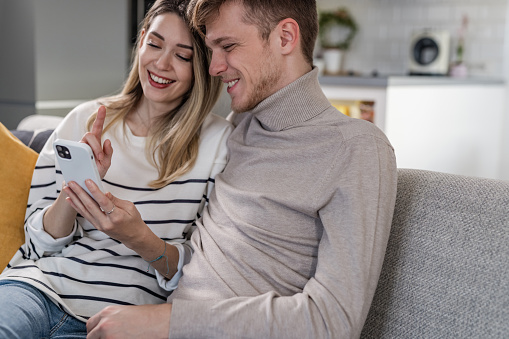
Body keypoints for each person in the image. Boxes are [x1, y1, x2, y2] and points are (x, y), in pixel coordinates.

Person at [76, 0, 398, 338]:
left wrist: (166, 322)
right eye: (211, 49)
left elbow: (333, 322)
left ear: (285, 37)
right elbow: (208, 269)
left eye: (227, 46)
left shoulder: (355, 148)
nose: (214, 67)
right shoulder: (241, 126)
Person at [0, 0, 232, 337]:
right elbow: (38, 244)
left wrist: (138, 237)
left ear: (203, 67)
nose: (162, 64)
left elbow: (203, 274)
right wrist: (76, 188)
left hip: (119, 316)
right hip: (37, 289)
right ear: (140, 42)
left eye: (183, 56)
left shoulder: (219, 144)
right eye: (154, 44)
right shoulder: (85, 119)